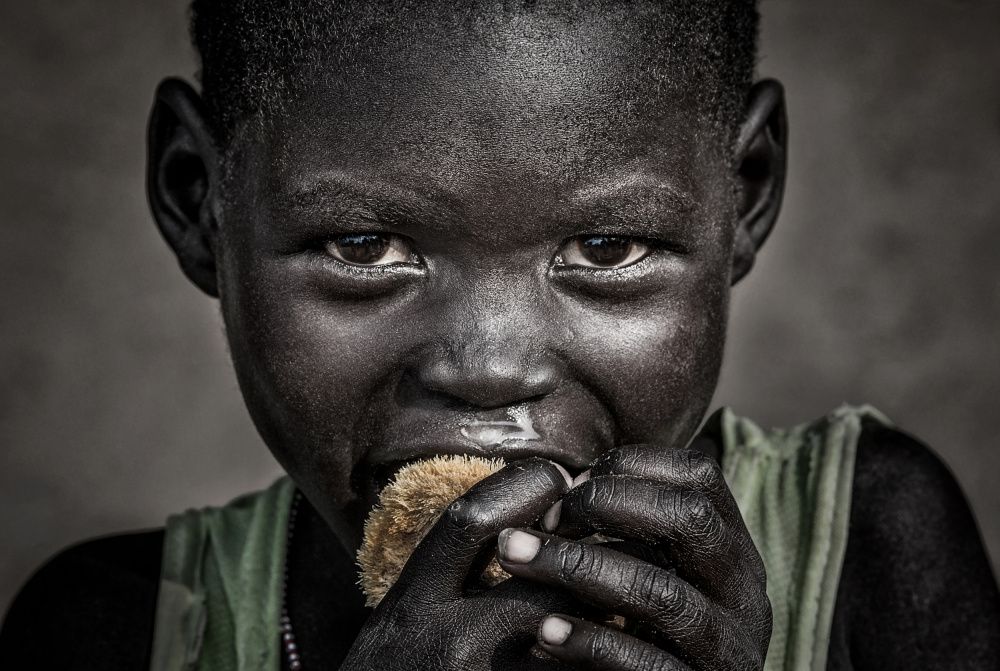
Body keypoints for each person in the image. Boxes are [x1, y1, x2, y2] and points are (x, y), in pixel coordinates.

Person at [2, 1, 998, 669]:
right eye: (362, 243)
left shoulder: (874, 541)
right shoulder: (115, 625)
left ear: (741, 196)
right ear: (198, 202)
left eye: (607, 248)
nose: (488, 367)